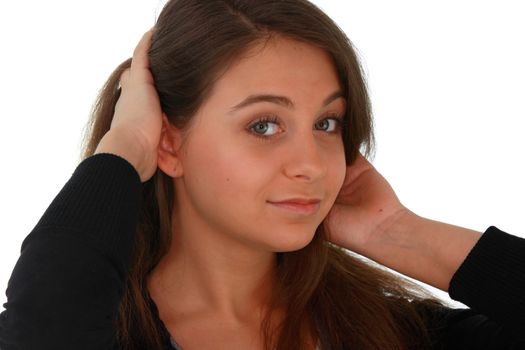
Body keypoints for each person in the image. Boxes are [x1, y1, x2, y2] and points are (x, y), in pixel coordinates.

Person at [1, 0, 524, 349]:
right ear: (167, 141)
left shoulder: (389, 334)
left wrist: (400, 234)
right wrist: (122, 151)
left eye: (326, 123)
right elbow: (44, 320)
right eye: (264, 124)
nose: (312, 164)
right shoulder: (98, 329)